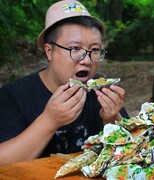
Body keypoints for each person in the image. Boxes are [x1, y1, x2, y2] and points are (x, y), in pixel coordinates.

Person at [0, 0, 129, 165]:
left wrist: (112, 118)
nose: (87, 60)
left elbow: (130, 151)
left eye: (95, 50)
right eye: (75, 49)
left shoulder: (102, 91)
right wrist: (50, 120)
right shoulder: (13, 96)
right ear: (49, 51)